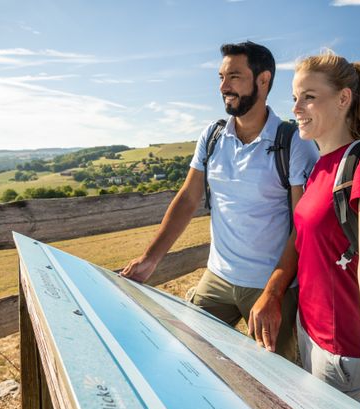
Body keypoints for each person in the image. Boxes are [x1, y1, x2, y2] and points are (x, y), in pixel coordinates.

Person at [121, 41, 319, 360]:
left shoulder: (293, 142)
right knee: (187, 357)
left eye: (235, 76)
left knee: (280, 386)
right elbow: (188, 199)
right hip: (217, 277)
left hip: (272, 287)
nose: (224, 86)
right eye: (221, 77)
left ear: (263, 80)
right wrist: (150, 259)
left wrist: (273, 292)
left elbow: (302, 227)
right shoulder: (212, 136)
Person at [251, 51, 360, 409]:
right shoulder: (323, 163)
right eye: (293, 98)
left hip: (341, 349)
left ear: (343, 99)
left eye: (308, 96)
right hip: (310, 331)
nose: (297, 108)